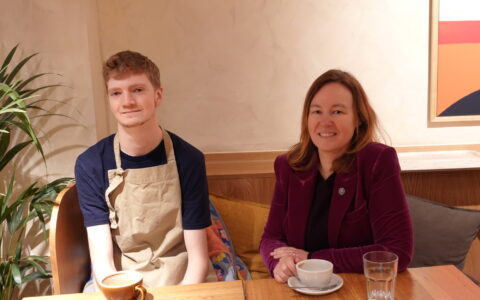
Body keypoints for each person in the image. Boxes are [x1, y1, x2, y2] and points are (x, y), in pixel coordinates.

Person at [74, 50, 216, 288]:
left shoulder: (189, 159)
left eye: (137, 90)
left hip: (183, 274)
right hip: (121, 277)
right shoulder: (90, 164)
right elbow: (103, 264)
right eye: (116, 93)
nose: (127, 101)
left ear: (158, 96)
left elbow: (198, 260)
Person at [259, 69, 413, 283]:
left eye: (338, 112)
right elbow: (271, 238)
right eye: (317, 111)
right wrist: (279, 263)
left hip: (358, 289)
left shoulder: (377, 161)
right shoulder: (288, 166)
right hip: (300, 288)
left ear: (358, 118)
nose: (325, 121)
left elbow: (396, 251)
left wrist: (313, 260)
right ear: (307, 118)